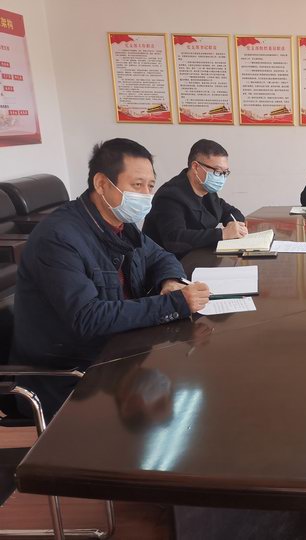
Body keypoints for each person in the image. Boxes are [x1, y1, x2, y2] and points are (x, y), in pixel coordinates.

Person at [11, 138, 210, 416]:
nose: (146, 195)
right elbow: (88, 318)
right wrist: (175, 303)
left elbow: (160, 256)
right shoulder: (58, 238)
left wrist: (170, 282)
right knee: (185, 394)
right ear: (102, 184)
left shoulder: (121, 225)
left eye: (150, 186)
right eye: (137, 185)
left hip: (120, 352)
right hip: (76, 375)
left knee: (200, 377)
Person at [143, 139, 247, 258]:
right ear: (196, 167)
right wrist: (222, 234)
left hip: (199, 257)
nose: (221, 177)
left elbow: (232, 212)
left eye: (225, 172)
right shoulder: (170, 195)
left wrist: (233, 225)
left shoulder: (207, 190)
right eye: (217, 171)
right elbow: (175, 239)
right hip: (169, 262)